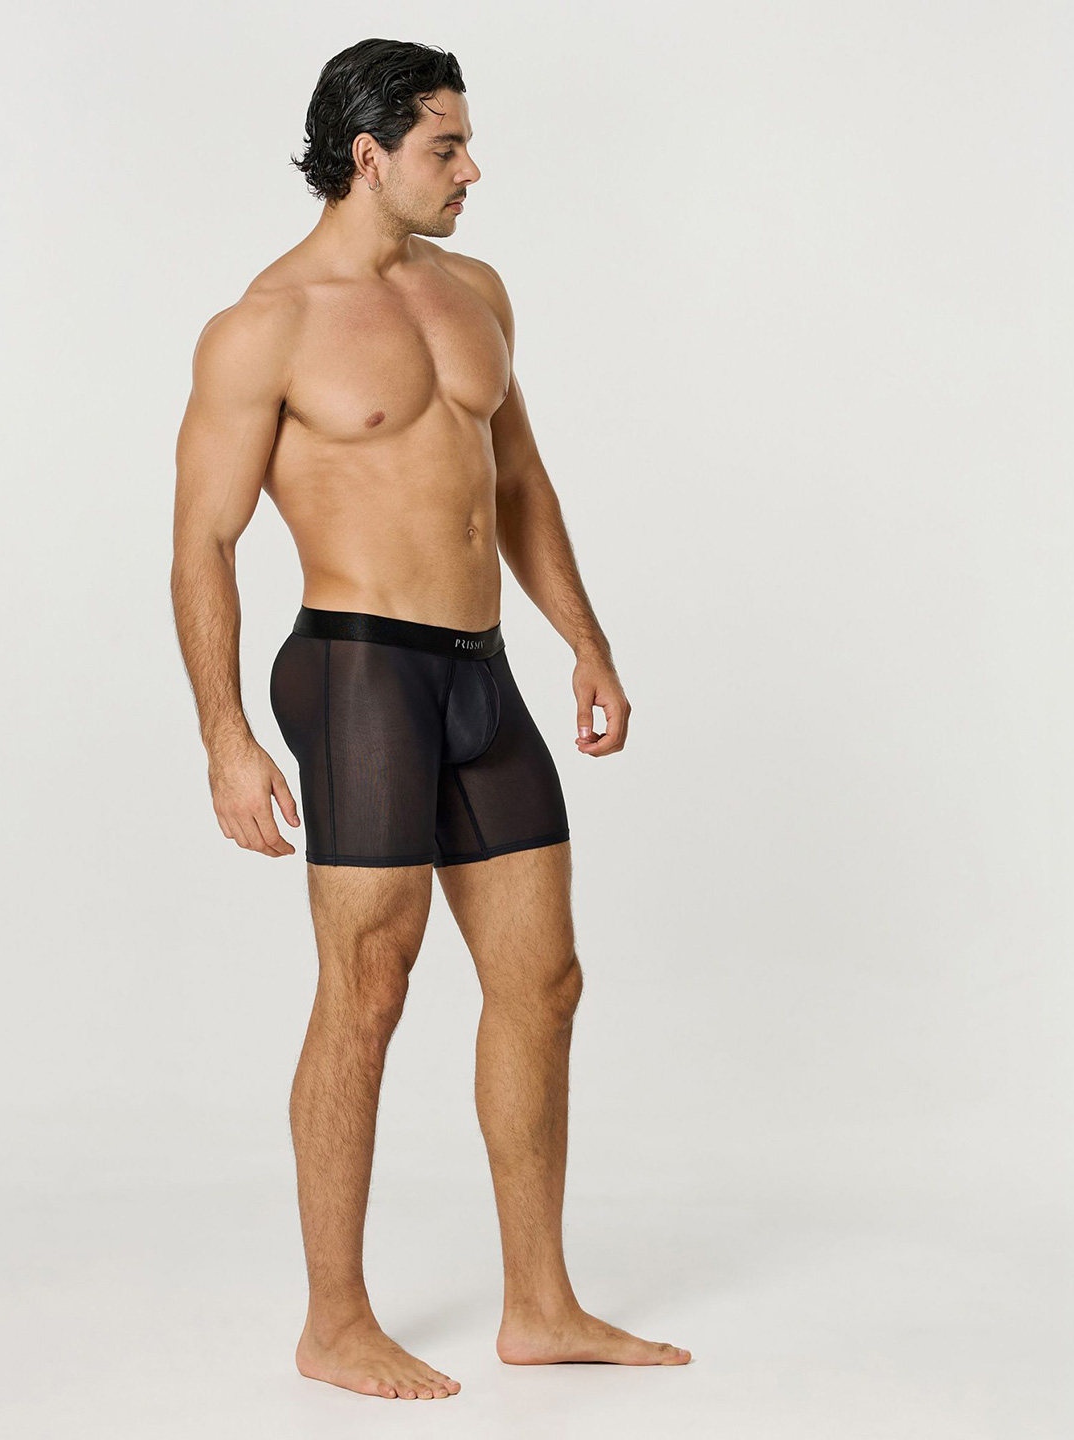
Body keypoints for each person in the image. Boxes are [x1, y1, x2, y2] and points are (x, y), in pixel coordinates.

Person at [169, 37, 691, 1402]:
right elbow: (202, 541)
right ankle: (334, 1321)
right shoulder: (265, 325)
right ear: (369, 155)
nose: (471, 170)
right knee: (369, 986)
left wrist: (585, 639)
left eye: (465, 142)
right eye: (445, 146)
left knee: (544, 980)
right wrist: (224, 735)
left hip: (480, 669)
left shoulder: (476, 295)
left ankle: (541, 1304)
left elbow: (517, 482)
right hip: (356, 672)